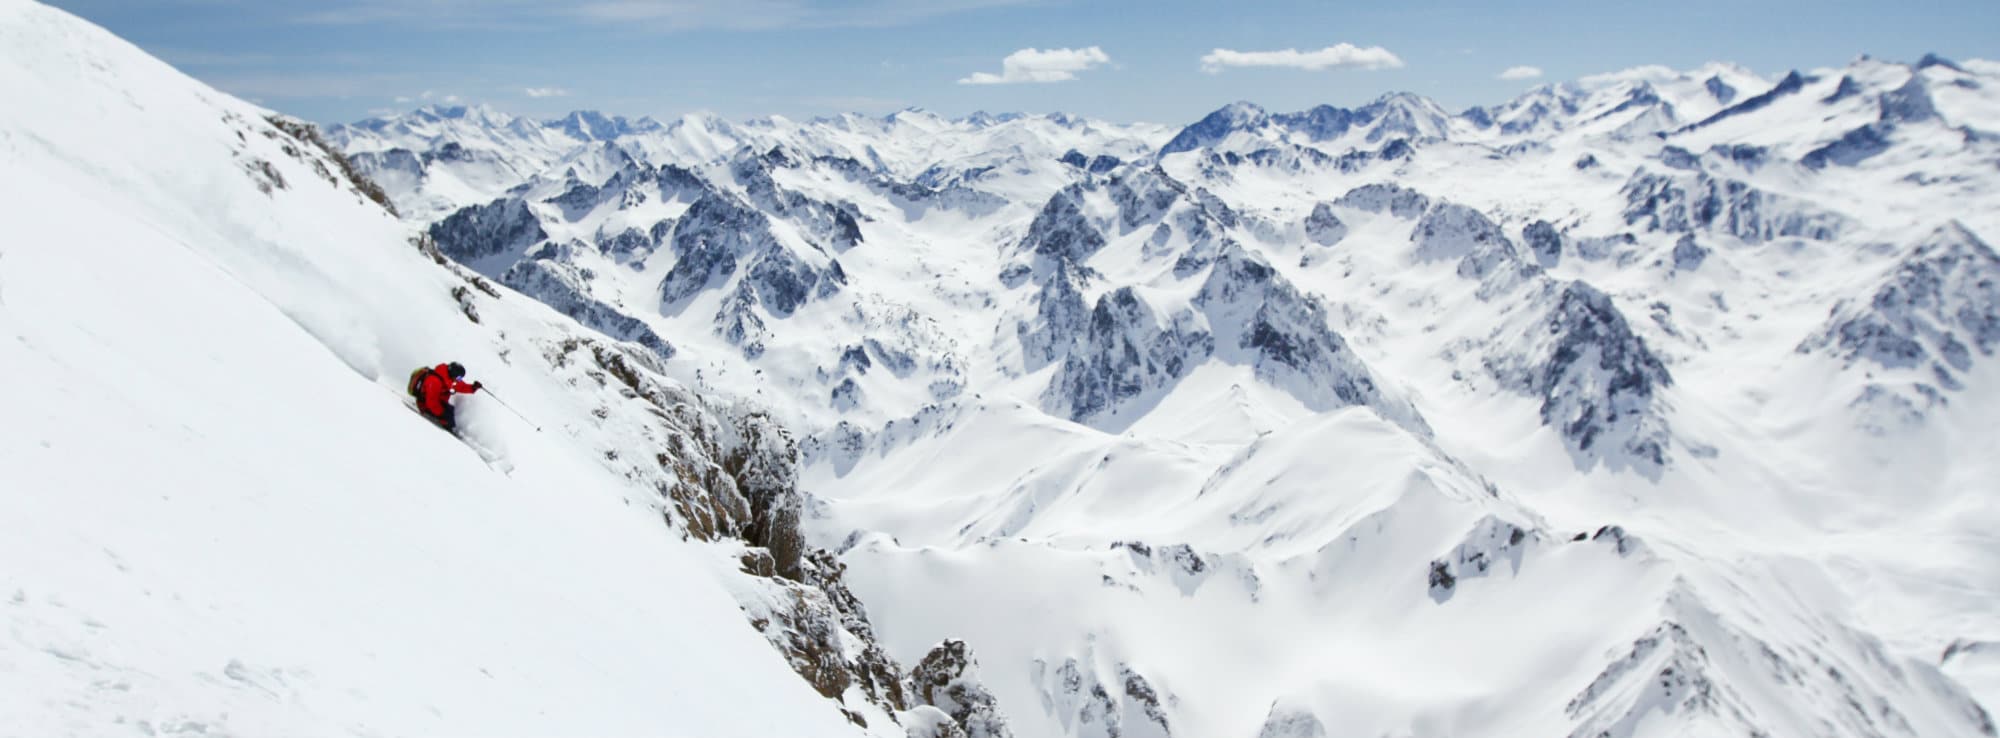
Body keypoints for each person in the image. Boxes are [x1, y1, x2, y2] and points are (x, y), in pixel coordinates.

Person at [409, 361, 481, 432]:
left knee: (450, 411)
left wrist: (473, 388)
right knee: (448, 416)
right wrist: (442, 415)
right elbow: (431, 402)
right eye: (459, 378)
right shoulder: (435, 381)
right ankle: (446, 429)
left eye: (460, 378)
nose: (460, 380)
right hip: (424, 404)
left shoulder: (449, 379)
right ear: (454, 374)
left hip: (437, 402)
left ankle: (449, 425)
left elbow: (461, 386)